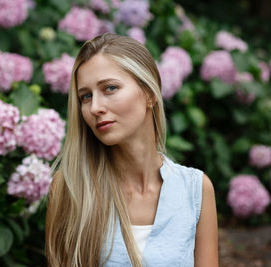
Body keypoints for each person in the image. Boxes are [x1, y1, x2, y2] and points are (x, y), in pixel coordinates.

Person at [45, 33, 218, 267]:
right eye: (85, 96)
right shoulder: (71, 188)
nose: (95, 107)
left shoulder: (195, 190)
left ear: (148, 93)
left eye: (110, 88)